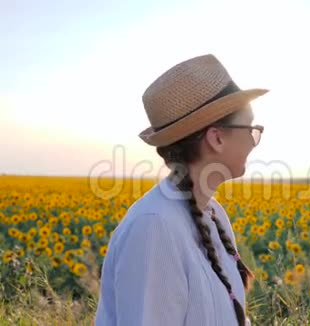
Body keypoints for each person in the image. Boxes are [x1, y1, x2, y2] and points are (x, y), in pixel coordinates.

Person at [95, 54, 269, 326]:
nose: (254, 140)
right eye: (251, 128)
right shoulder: (153, 229)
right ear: (217, 138)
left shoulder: (213, 214)